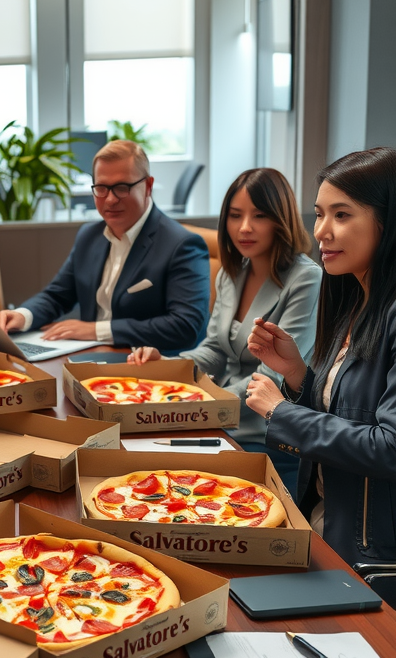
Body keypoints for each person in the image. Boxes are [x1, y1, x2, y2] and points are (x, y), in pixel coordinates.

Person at [246, 147, 396, 573]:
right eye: (318, 214)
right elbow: (349, 412)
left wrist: (281, 411)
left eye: (342, 215)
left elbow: (389, 447)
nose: (321, 232)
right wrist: (297, 376)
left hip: (373, 554)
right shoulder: (354, 298)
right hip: (326, 521)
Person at [129, 168, 320, 495]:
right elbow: (215, 350)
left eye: (259, 215)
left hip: (265, 433)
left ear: (280, 220)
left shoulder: (307, 278)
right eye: (235, 215)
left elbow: (272, 377)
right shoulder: (233, 272)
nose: (244, 227)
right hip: (217, 418)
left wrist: (199, 406)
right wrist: (167, 364)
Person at [0, 140, 210, 354]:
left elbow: (185, 326)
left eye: (122, 188)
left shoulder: (181, 245)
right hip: (90, 357)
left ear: (148, 186)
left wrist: (97, 331)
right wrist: (23, 315)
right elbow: (57, 295)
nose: (110, 199)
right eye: (101, 188)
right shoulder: (89, 235)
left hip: (148, 368)